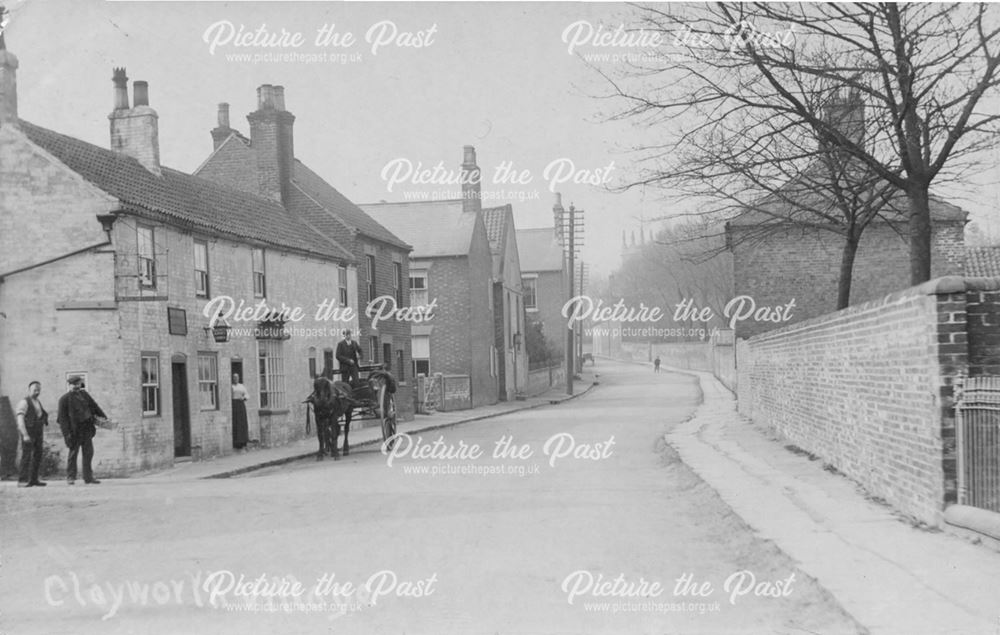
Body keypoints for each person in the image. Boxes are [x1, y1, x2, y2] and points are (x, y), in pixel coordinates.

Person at [57, 376, 107, 485]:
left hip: (87, 429)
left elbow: (95, 407)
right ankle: (70, 477)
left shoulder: (85, 395)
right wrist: (67, 435)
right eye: (74, 384)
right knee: (73, 454)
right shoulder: (64, 399)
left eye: (78, 384)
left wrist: (104, 417)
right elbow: (62, 420)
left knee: (88, 453)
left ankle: (88, 477)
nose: (77, 386)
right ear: (69, 385)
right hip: (74, 431)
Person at [15, 381, 48, 487]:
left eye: (39, 390)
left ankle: (34, 479)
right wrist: (25, 435)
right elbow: (20, 420)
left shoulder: (37, 402)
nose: (37, 392)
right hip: (28, 432)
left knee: (37, 455)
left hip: (38, 433)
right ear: (29, 390)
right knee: (26, 456)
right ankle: (22, 480)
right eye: (35, 390)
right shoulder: (24, 402)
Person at [231, 373, 250, 451]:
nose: (236, 379)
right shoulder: (231, 386)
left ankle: (243, 441)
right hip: (234, 404)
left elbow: (247, 395)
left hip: (240, 404)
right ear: (232, 378)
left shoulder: (241, 386)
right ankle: (236, 442)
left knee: (242, 423)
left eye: (237, 377)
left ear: (239, 378)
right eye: (234, 377)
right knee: (236, 423)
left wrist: (244, 398)